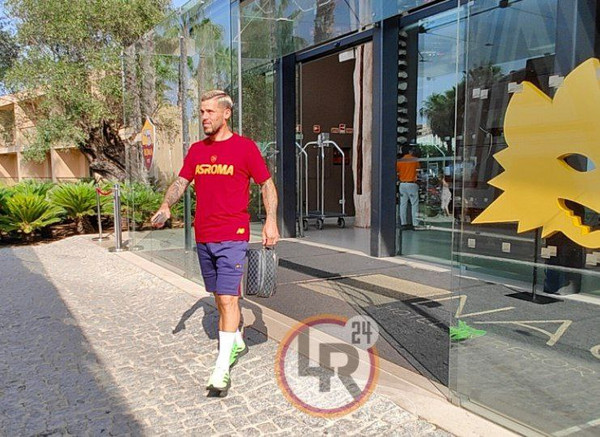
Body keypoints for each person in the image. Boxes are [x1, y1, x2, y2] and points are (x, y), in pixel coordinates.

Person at [151, 90, 280, 393]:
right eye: (201, 112)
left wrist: (271, 220)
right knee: (219, 297)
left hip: (233, 235)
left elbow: (266, 184)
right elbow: (181, 181)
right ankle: (236, 341)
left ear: (226, 113)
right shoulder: (197, 150)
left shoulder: (245, 148)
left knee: (228, 298)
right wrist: (166, 205)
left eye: (210, 112)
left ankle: (221, 368)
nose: (204, 117)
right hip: (204, 236)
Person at [396, 146, 420, 230]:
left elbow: (397, 171)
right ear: (410, 151)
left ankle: (403, 223)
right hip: (412, 184)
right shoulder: (415, 160)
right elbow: (418, 170)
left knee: (403, 204)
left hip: (402, 184)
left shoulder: (400, 161)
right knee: (414, 204)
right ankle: (415, 223)